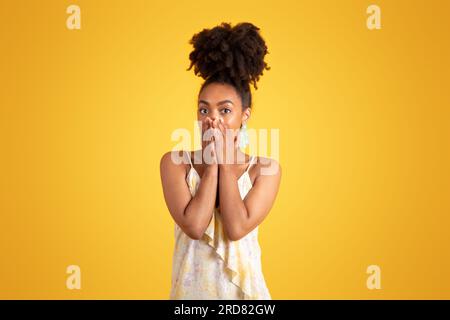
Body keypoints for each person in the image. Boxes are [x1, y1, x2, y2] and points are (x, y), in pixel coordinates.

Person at [160, 22, 281, 299]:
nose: (211, 119)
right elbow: (194, 226)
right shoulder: (174, 163)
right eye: (204, 109)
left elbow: (236, 227)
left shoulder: (266, 170)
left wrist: (225, 160)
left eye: (225, 110)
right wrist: (212, 163)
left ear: (244, 116)